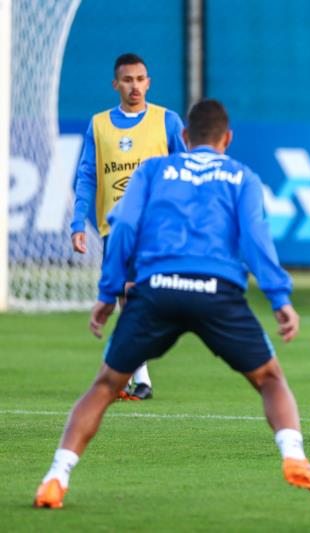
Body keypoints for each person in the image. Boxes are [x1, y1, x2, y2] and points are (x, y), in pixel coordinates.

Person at [34, 99, 310, 508]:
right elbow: (256, 237)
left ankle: (56, 477)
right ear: (227, 139)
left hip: (156, 288)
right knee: (269, 379)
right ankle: (295, 458)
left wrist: (109, 292)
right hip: (217, 291)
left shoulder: (153, 169)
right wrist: (279, 297)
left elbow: (123, 225)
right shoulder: (241, 176)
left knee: (107, 385)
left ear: (183, 138)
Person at [70, 53, 187, 400]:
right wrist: (79, 221)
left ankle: (133, 372)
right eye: (127, 80)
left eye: (140, 79)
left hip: (156, 225)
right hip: (113, 228)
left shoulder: (167, 121)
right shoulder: (99, 125)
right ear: (116, 84)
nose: (134, 86)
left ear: (148, 82)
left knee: (135, 294)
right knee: (127, 297)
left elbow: (187, 169)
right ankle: (138, 376)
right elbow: (88, 176)